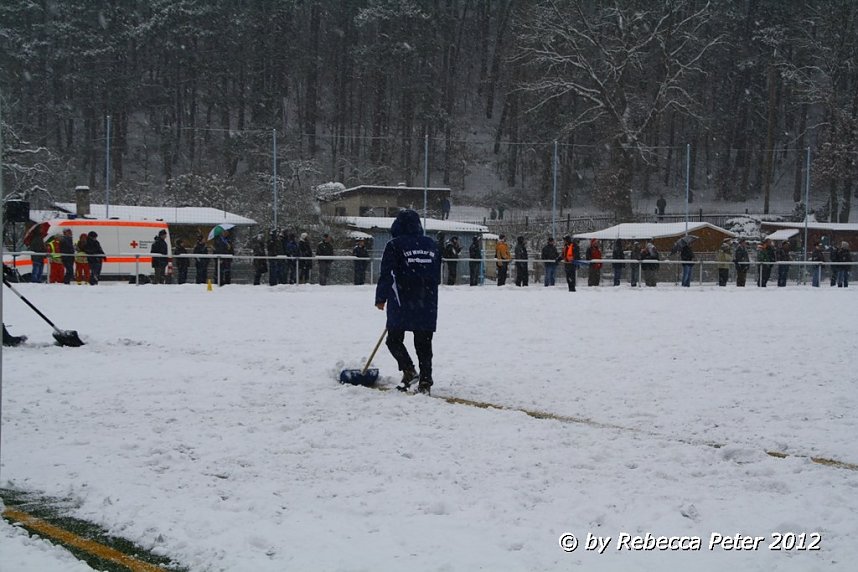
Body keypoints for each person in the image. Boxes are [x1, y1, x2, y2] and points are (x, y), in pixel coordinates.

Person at [374, 210, 440, 395]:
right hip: (427, 300)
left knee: (394, 339)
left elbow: (387, 273)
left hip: (402, 299)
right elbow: (436, 273)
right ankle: (425, 382)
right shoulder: (432, 244)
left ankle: (409, 370)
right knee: (424, 343)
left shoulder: (394, 245)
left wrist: (381, 298)